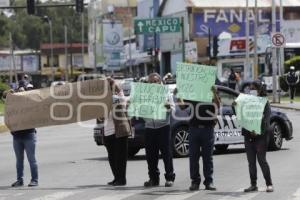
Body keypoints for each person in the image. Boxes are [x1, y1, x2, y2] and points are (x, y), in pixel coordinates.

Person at [178, 86, 221, 191]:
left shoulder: (211, 91)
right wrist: (179, 95)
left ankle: (209, 182)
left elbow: (217, 106)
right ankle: (195, 182)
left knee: (208, 158)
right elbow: (182, 107)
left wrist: (214, 93)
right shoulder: (193, 92)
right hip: (194, 129)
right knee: (193, 157)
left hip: (207, 129)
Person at [236, 81, 274, 193]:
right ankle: (253, 184)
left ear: (259, 90)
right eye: (250, 88)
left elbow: (267, 120)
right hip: (248, 136)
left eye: (254, 88)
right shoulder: (246, 101)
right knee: (251, 162)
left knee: (262, 160)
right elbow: (241, 115)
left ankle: (269, 184)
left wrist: (257, 131)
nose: (251, 90)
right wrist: (236, 106)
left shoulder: (264, 102)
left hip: (260, 136)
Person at [143, 73, 176, 187]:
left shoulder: (165, 92)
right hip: (149, 128)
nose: (153, 84)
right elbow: (138, 109)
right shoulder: (143, 94)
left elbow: (172, 108)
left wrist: (168, 106)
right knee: (150, 156)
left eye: (155, 81)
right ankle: (153, 178)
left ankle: (169, 177)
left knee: (166, 154)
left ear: (159, 82)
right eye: (151, 82)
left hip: (163, 127)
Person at [103, 78, 132, 186]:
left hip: (119, 131)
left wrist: (116, 86)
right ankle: (116, 177)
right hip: (107, 131)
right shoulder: (102, 100)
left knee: (120, 157)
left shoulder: (118, 96)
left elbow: (123, 104)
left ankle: (122, 179)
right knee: (112, 157)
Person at [10, 84, 38, 187]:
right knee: (19, 160)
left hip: (29, 135)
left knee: (31, 159)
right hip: (17, 136)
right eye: (18, 91)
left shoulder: (29, 103)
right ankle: (19, 180)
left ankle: (35, 180)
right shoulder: (13, 105)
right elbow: (5, 96)